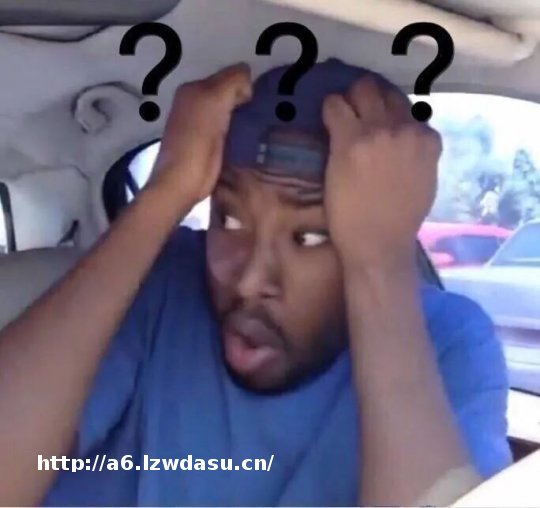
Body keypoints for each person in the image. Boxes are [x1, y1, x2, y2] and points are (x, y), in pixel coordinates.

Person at [0, 59, 511, 507]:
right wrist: (165, 193)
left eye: (310, 237)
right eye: (229, 218)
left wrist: (379, 266)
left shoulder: (449, 342)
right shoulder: (161, 277)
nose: (247, 281)